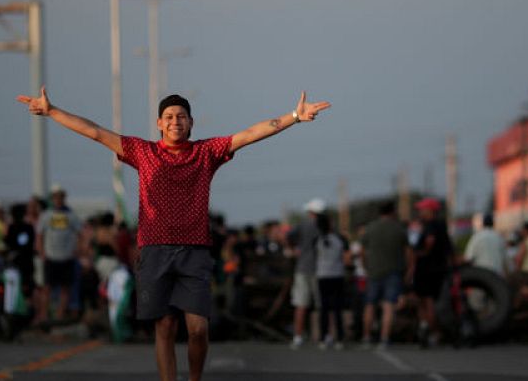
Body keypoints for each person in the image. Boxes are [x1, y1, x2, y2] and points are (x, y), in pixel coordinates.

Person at [18, 87, 330, 381]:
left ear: (191, 122)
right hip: (154, 252)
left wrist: (294, 116)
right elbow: (96, 132)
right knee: (165, 326)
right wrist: (52, 111)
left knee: (197, 329)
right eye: (168, 117)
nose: (175, 121)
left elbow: (250, 134)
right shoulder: (143, 152)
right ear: (159, 124)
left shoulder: (206, 152)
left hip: (194, 252)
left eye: (181, 116)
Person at [360, 201, 408, 350]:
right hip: (393, 272)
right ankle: (384, 338)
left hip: (374, 271)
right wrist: (408, 271)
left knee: (370, 305)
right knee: (389, 306)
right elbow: (408, 252)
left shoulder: (370, 228)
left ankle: (366, 337)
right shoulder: (399, 228)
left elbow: (362, 251)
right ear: (392, 211)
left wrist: (366, 267)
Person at [409, 197, 452, 349]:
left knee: (427, 301)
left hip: (427, 268)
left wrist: (422, 253)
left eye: (423, 209)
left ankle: (432, 331)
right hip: (437, 268)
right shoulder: (440, 225)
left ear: (430, 210)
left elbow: (429, 241)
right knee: (424, 300)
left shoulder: (431, 225)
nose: (420, 211)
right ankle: (427, 328)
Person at [36, 186, 81, 322]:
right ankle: (44, 316)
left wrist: (77, 250)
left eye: (61, 196)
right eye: (56, 197)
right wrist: (41, 252)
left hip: (67, 257)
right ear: (52, 198)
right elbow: (39, 235)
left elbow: (80, 234)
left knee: (65, 289)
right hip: (50, 257)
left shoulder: (71, 215)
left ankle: (59, 316)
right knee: (47, 288)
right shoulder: (46, 215)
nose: (58, 199)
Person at [288, 198, 324, 349]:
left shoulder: (303, 224)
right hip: (321, 268)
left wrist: (295, 248)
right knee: (321, 305)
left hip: (303, 267)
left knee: (301, 304)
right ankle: (323, 336)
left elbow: (289, 237)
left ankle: (298, 336)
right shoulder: (325, 226)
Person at [314, 213, 348, 350]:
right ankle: (339, 337)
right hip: (337, 275)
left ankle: (324, 337)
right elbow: (346, 256)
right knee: (338, 308)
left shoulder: (317, 240)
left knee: (324, 308)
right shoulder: (340, 239)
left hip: (322, 275)